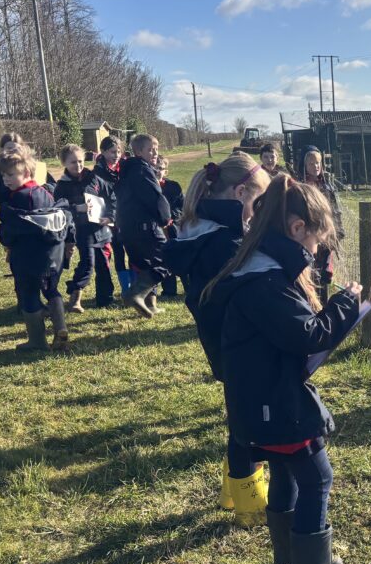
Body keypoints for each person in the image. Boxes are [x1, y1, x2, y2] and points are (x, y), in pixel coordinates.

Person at [202, 174, 365, 564]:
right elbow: (308, 335)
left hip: (262, 402)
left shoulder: (257, 267)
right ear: (296, 229)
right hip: (276, 405)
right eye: (316, 240)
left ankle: (291, 559)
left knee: (287, 473)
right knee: (317, 477)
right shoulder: (266, 283)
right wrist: (347, 303)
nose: (316, 250)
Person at [164, 153, 271, 524]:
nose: (260, 214)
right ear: (241, 192)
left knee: (238, 415)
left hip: (221, 342)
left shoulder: (201, 229)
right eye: (259, 204)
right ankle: (250, 506)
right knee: (250, 428)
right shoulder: (225, 242)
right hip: (239, 344)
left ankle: (232, 493)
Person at [0, 149, 73, 351]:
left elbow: (10, 230)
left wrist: (4, 237)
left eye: (11, 175)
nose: (6, 179)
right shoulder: (47, 193)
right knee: (52, 290)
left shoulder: (17, 199)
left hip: (28, 257)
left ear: (28, 173)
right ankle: (61, 328)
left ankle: (37, 341)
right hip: (53, 255)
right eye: (3, 175)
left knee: (29, 293)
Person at [53, 143, 116, 311]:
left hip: (101, 230)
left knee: (104, 265)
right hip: (81, 231)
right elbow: (59, 209)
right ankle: (75, 296)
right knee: (88, 264)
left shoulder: (93, 178)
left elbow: (111, 197)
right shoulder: (62, 186)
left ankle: (105, 299)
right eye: (73, 162)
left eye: (80, 161)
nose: (78, 165)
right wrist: (77, 208)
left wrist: (110, 216)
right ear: (64, 163)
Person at [115, 133, 171, 318]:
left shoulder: (126, 170)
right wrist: (165, 218)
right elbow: (155, 197)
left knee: (145, 266)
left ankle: (148, 303)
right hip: (145, 227)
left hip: (128, 228)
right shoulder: (141, 170)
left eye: (156, 148)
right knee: (167, 259)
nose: (155, 152)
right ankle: (135, 294)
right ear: (138, 152)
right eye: (150, 149)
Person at [298, 146, 345, 307]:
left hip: (325, 237)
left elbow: (335, 211)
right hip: (307, 238)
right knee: (308, 272)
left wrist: (337, 233)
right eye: (311, 163)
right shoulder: (300, 188)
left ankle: (322, 307)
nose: (315, 166)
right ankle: (310, 305)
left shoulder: (328, 187)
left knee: (322, 275)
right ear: (305, 166)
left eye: (318, 163)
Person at [93, 136, 131, 295]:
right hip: (107, 219)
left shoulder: (125, 168)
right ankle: (116, 289)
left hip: (126, 216)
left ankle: (130, 286)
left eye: (119, 152)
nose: (116, 155)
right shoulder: (97, 172)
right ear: (103, 152)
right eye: (112, 152)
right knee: (114, 253)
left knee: (130, 251)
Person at [153, 155, 184, 298]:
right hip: (156, 229)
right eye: (154, 168)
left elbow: (181, 207)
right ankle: (169, 290)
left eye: (160, 168)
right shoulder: (146, 187)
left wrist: (171, 216)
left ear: (166, 171)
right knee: (163, 259)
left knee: (180, 257)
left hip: (172, 228)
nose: (157, 171)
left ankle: (189, 286)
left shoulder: (173, 187)